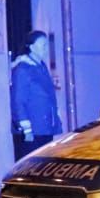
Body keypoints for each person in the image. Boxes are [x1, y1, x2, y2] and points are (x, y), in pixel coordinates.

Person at [11, 30, 63, 159]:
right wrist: (26, 128)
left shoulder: (41, 66)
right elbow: (18, 100)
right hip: (33, 131)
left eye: (46, 45)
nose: (46, 49)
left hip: (45, 127)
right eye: (43, 45)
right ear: (32, 47)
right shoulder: (23, 69)